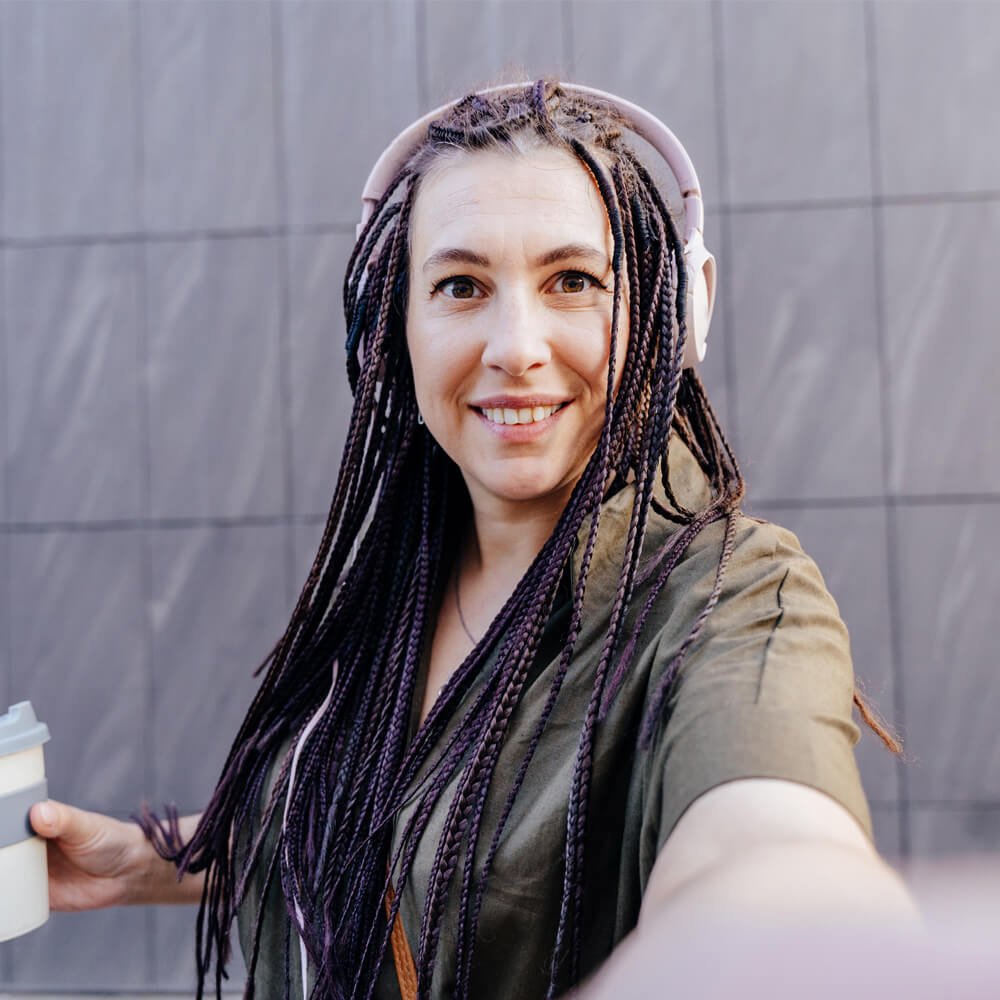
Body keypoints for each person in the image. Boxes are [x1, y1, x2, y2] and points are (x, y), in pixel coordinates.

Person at [29, 80, 916, 1000]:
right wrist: (140, 862)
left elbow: (766, 847)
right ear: (391, 330)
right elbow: (385, 830)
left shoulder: (737, 600)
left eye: (573, 281)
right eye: (462, 286)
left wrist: (794, 930)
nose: (515, 346)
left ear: (672, 315)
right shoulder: (403, 580)